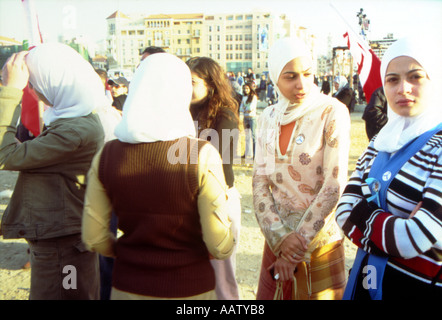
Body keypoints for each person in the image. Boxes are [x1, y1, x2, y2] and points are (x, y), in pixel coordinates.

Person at [82, 52, 235, 300]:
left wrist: (127, 252)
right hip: (190, 288)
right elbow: (219, 245)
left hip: (127, 286)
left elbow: (93, 237)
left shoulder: (107, 154)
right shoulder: (201, 155)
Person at [335, 36, 442, 300]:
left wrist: (363, 215)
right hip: (365, 281)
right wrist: (392, 226)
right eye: (392, 79)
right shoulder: (381, 141)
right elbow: (342, 211)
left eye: (415, 77)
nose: (403, 88)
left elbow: (415, 237)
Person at [0, 43, 105, 299]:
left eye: (33, 84)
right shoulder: (76, 119)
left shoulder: (73, 131)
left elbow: (3, 156)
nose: (32, 91)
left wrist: (10, 91)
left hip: (61, 243)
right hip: (63, 236)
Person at [253, 37, 351, 300]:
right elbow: (260, 181)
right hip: (278, 240)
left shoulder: (332, 112)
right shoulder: (268, 117)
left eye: (308, 74)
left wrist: (296, 245)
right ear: (275, 78)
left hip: (319, 242)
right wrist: (280, 237)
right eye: (290, 76)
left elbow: (334, 185)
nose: (302, 84)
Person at [186, 56, 241, 300]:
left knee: (222, 278)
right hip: (189, 200)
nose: (187, 88)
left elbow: (222, 164)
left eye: (193, 82)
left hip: (219, 199)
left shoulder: (225, 115)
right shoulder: (185, 112)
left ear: (211, 84)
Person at [239, 82, 258, 160]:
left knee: (253, 137)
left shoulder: (254, 97)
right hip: (246, 118)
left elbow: (251, 108)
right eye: (244, 89)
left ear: (250, 88)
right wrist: (245, 110)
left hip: (252, 119)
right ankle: (246, 153)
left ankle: (255, 154)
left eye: (247, 88)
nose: (245, 90)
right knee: (246, 137)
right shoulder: (244, 97)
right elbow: (241, 108)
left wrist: (245, 109)